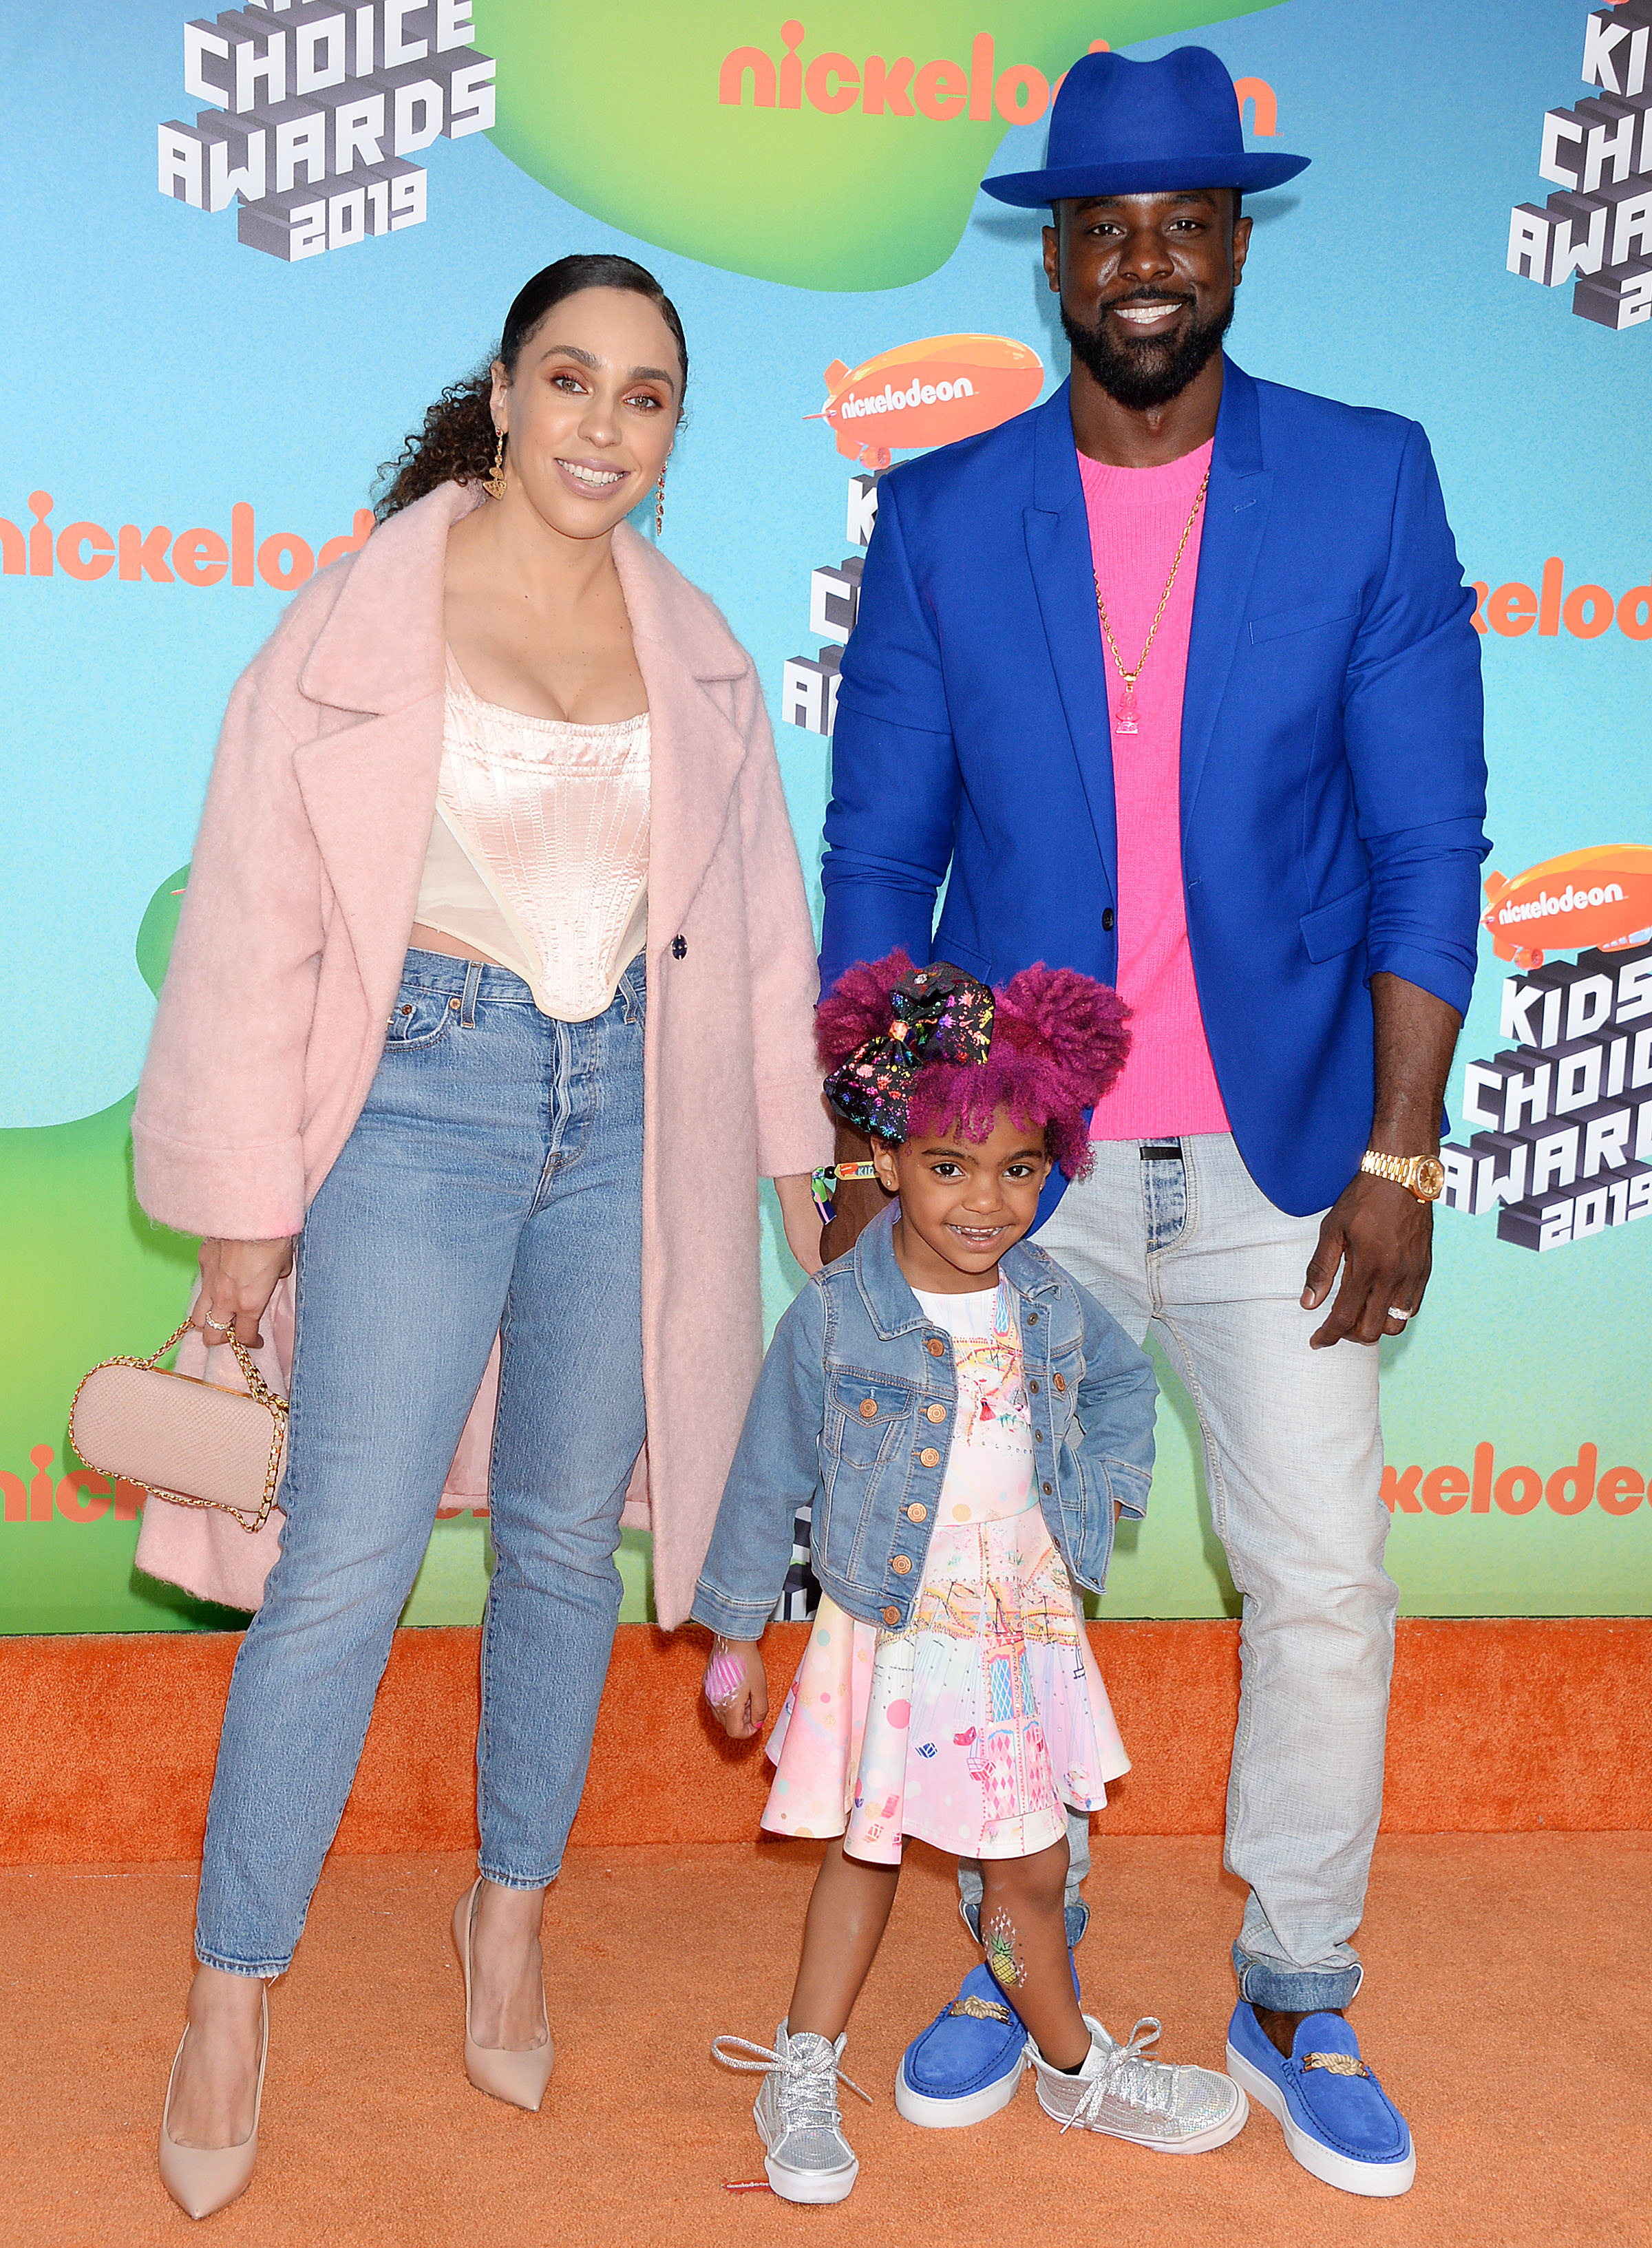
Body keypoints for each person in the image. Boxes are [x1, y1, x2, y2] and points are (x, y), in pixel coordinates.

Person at [816, 48, 1487, 2201]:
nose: (1143, 262)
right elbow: (879, 854)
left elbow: (1426, 844)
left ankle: (1295, 1985)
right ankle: (1027, 1954)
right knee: (1005, 1590)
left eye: (1184, 223)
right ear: (1055, 262)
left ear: (1236, 249)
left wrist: (1399, 1153)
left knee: (1322, 1584)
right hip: (1023, 1177)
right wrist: (876, 1143)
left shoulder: (1368, 484)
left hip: (1291, 1161)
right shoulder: (943, 516)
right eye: (1104, 227)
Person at [132, 253, 832, 2219]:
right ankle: (228, 1994)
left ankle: (507, 1913)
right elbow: (255, 914)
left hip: (636, 1120)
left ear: (673, 433)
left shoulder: (698, 649)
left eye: (647, 396)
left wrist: (799, 1164)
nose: (606, 425)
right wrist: (245, 1212)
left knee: (561, 1544)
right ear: (506, 394)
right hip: (416, 1102)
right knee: (343, 1562)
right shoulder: (360, 619)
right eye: (572, 381)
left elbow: (758, 931)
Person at [693, 955, 1250, 2205]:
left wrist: (1098, 1492)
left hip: (1018, 1634)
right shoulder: (836, 1315)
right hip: (894, 1633)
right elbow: (764, 1473)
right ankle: (803, 2065)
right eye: (950, 1167)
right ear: (887, 1159)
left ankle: (1071, 2066)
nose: (986, 1201)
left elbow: (1123, 1387)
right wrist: (735, 1633)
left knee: (1033, 1869)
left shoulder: (1048, 1299)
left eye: (1020, 1169)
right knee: (865, 1854)